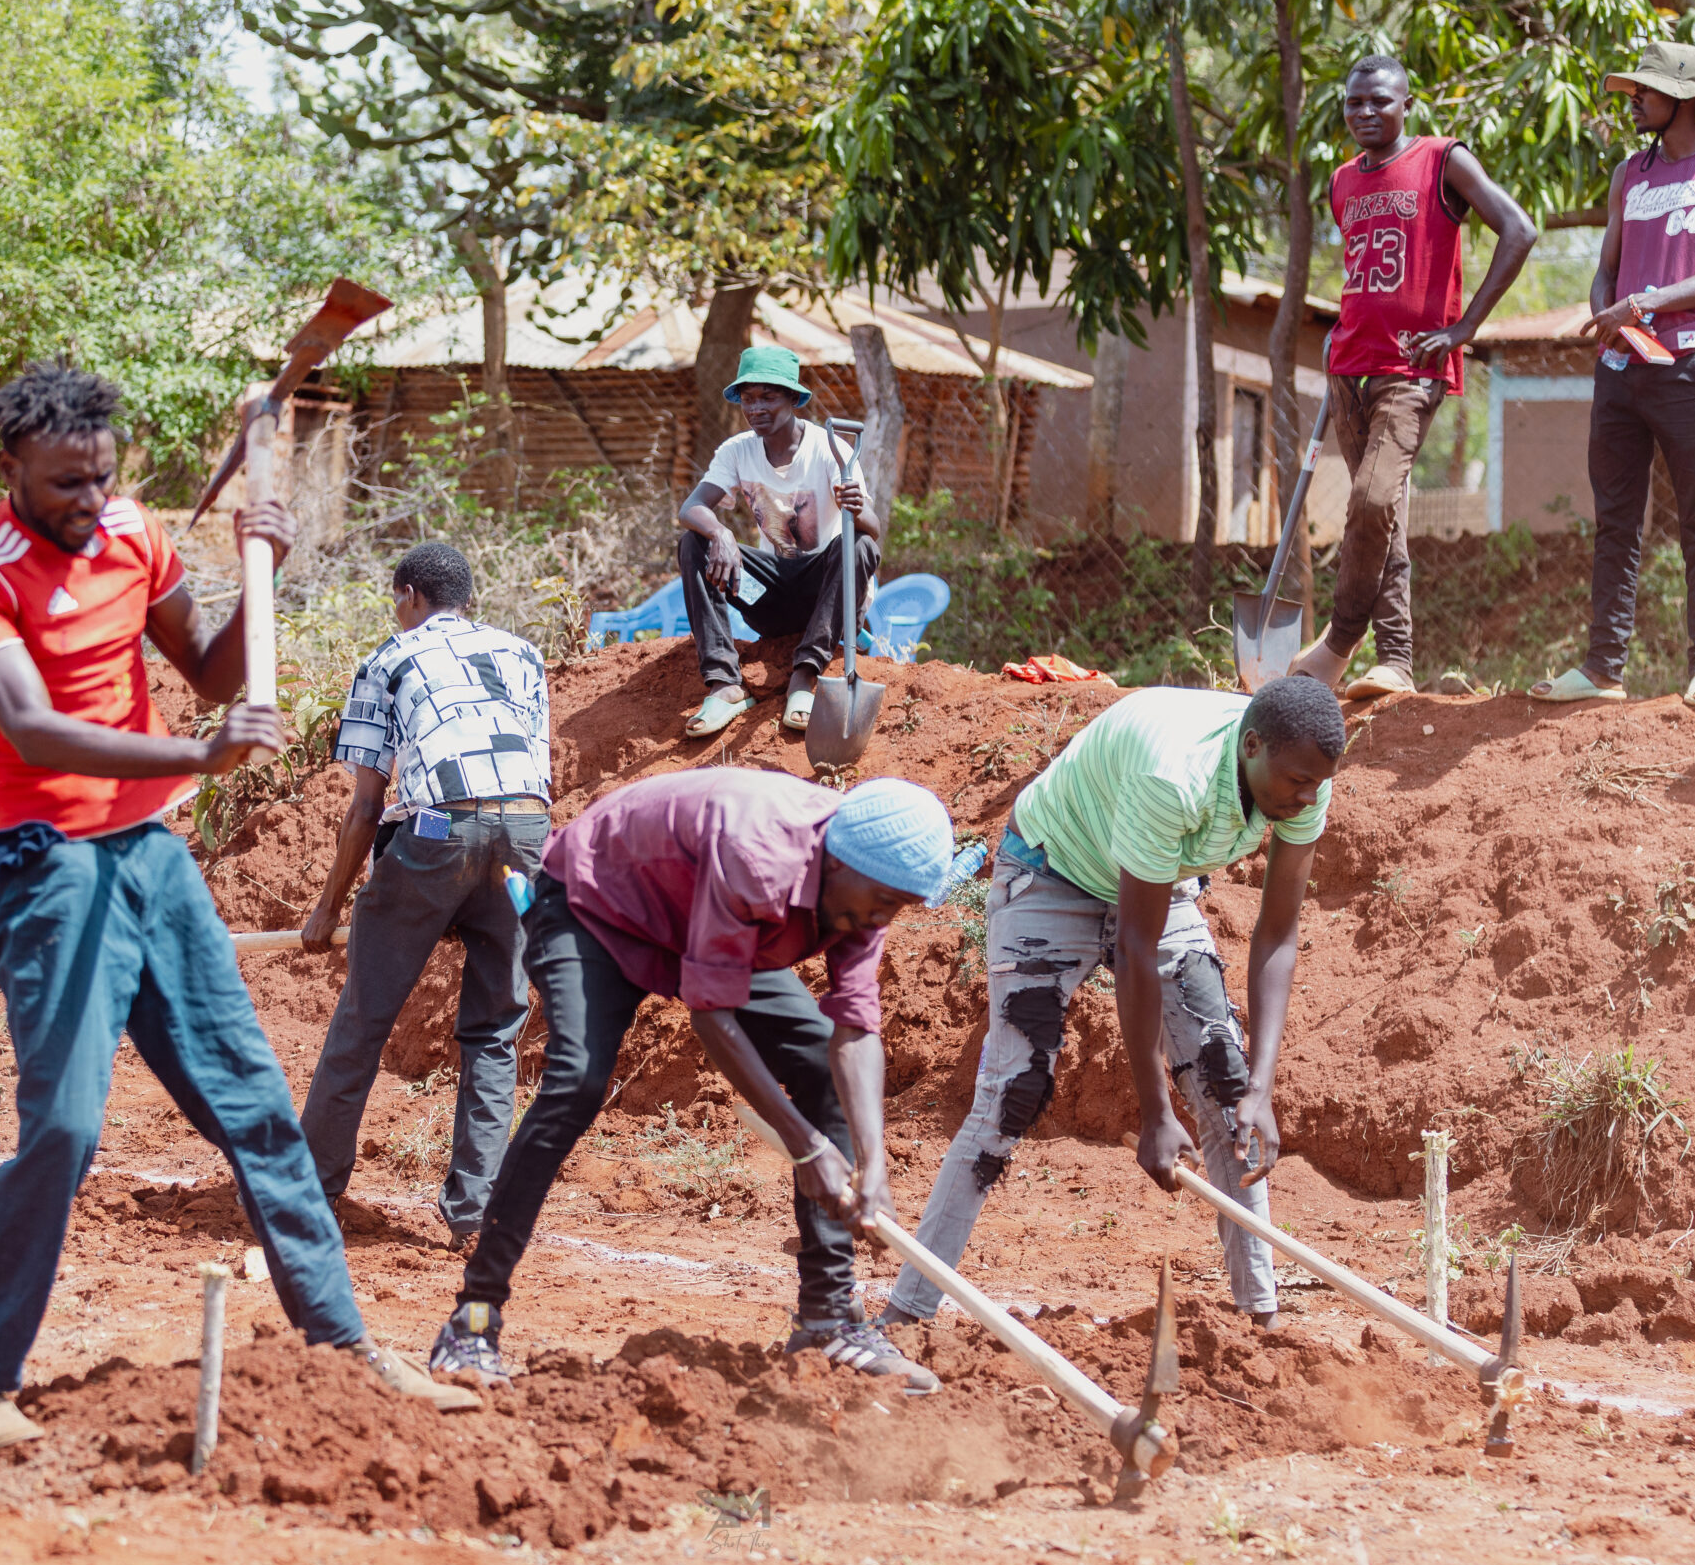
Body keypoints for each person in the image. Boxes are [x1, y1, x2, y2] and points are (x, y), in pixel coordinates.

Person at [0, 361, 471, 1451]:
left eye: (102, 478)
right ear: (10, 471)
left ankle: (343, 1346)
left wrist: (258, 565)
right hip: (46, 866)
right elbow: (30, 730)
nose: (89, 501)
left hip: (150, 860)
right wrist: (194, 755)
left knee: (255, 1110)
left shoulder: (130, 533)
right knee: (67, 1127)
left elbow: (214, 674)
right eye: (64, 484)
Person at [427, 771, 955, 1395]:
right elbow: (711, 1013)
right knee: (576, 1081)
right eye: (883, 902)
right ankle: (473, 1320)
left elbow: (855, 1029)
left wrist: (873, 1166)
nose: (880, 920)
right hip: (595, 906)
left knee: (818, 1059)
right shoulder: (760, 854)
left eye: (895, 908)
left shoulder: (864, 888)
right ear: (839, 860)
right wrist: (809, 1147)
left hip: (699, 922)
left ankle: (828, 1319)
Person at [878, 677, 1343, 1334]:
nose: (1304, 798)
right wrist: (1154, 1112)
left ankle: (1258, 1325)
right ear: (1252, 746)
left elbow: (1277, 933)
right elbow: (1134, 945)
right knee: (1013, 1089)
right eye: (1295, 781)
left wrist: (1260, 1088)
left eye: (1315, 785)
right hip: (1051, 871)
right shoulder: (1173, 777)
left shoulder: (1307, 777)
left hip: (1158, 876)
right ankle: (905, 1314)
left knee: (1227, 1084)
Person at [296, 541, 550, 1244]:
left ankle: (310, 1194)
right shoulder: (523, 654)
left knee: (364, 1018)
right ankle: (477, 1213)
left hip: (439, 831)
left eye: (394, 598)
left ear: (409, 594)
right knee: (497, 1031)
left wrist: (326, 908)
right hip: (529, 837)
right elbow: (518, 780)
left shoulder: (389, 658)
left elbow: (366, 807)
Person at [1289, 54, 1537, 700]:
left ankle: (1340, 641)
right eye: (1354, 103)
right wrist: (1338, 341)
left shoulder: (1441, 159)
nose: (1366, 112)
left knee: (1372, 498)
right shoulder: (1343, 180)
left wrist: (1463, 329)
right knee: (1384, 514)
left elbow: (1519, 229)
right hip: (1349, 367)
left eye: (1379, 101)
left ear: (1406, 103)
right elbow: (1363, 274)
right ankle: (1395, 660)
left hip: (1411, 368)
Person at [1530, 41, 1695, 712]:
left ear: (1683, 99)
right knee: (1616, 519)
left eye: (1646, 91)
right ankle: (1603, 668)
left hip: (1688, 362)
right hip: (1619, 366)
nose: (1633, 99)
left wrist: (1647, 301)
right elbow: (1608, 261)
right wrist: (1606, 307)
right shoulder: (1629, 173)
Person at [676, 346, 878, 739]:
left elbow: (874, 529)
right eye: (748, 399)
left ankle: (804, 677)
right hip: (766, 600)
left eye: (768, 397)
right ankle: (725, 684)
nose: (756, 409)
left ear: (792, 399)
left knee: (860, 546)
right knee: (693, 543)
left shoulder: (827, 448)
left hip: (825, 598)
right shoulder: (737, 451)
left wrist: (858, 507)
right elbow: (692, 506)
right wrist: (720, 533)